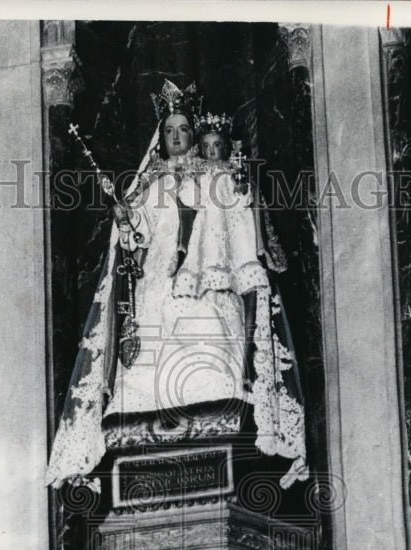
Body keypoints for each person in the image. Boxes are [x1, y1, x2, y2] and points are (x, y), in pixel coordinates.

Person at [45, 80, 307, 489]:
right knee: (150, 350)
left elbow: (235, 239)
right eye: (169, 131)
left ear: (195, 135)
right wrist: (125, 219)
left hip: (206, 282)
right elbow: (136, 241)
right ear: (161, 138)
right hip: (158, 282)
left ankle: (217, 415)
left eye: (183, 129)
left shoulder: (217, 180)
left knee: (209, 335)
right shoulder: (151, 184)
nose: (176, 138)